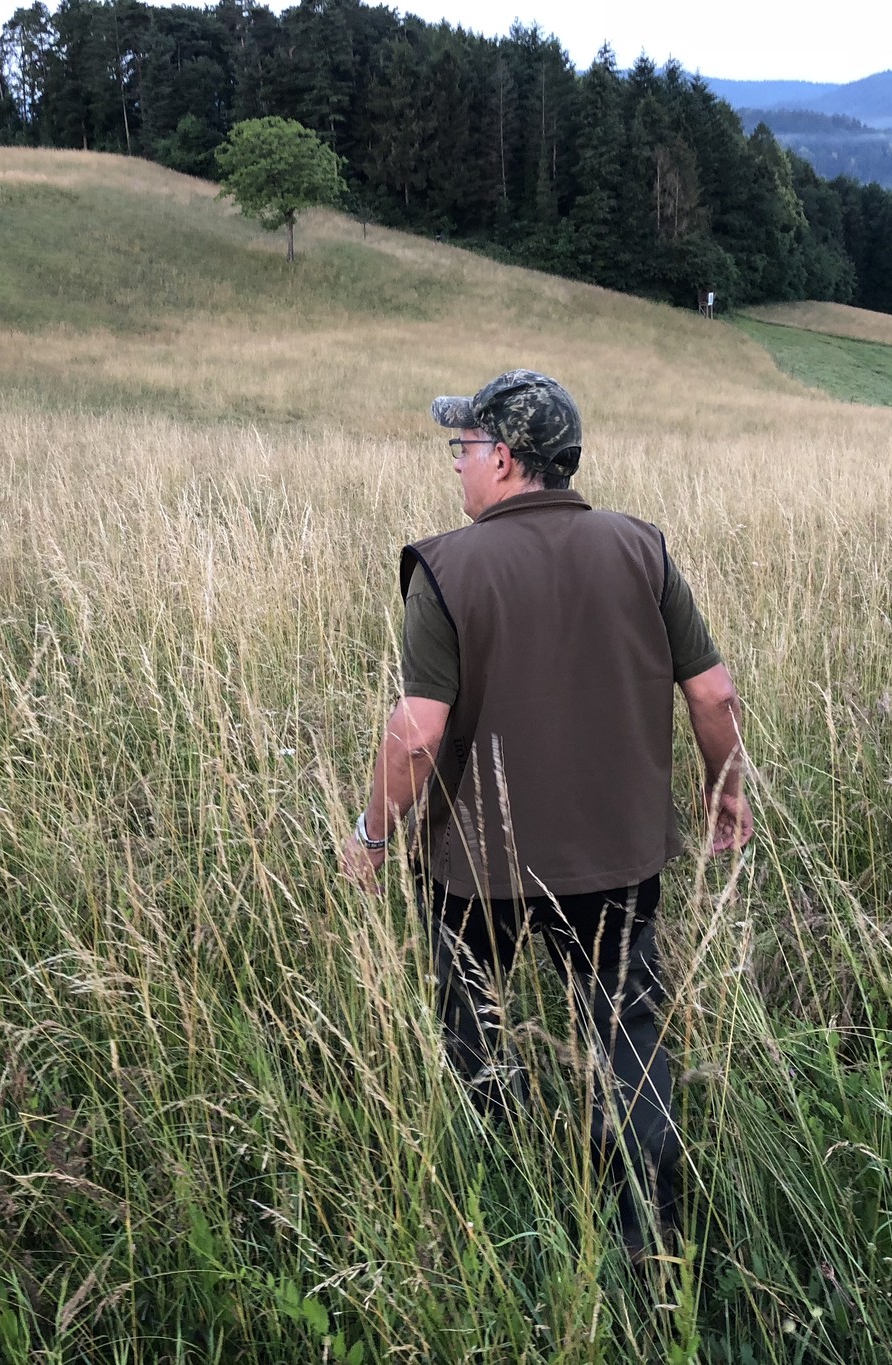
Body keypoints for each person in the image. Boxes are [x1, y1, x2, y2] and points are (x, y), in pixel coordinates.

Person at [338, 368, 753, 1257]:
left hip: (477, 863)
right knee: (626, 1032)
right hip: (617, 856)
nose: (457, 466)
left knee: (472, 1019)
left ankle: (505, 1205)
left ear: (507, 456)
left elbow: (416, 735)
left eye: (465, 447)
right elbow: (714, 694)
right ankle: (652, 1242)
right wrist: (727, 791)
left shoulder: (447, 567)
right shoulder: (643, 548)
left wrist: (373, 835)